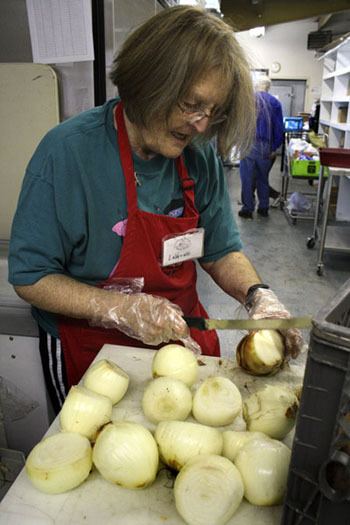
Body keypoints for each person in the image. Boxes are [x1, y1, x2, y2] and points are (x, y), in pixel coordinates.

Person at [8, 6, 302, 414]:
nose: (201, 126)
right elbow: (31, 276)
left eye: (212, 113)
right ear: (148, 81)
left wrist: (258, 296)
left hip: (178, 341)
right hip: (92, 352)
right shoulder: (68, 154)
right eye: (191, 105)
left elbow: (219, 248)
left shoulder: (199, 156)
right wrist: (119, 307)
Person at [239, 75, 284, 218]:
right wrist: (274, 147)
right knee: (262, 177)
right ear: (268, 87)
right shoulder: (275, 103)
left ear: (256, 85)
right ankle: (263, 207)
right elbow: (279, 128)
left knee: (247, 177)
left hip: (247, 143)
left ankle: (247, 209)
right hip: (265, 145)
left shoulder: (246, 100)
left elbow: (239, 123)